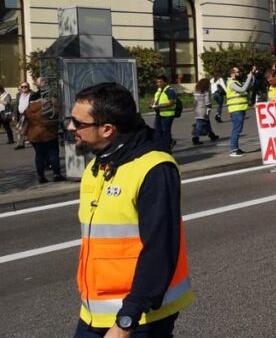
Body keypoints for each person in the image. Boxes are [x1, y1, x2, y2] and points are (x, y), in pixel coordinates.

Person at [67, 83, 194, 337]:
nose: (71, 128)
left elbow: (160, 248)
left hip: (140, 317)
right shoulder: (100, 164)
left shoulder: (154, 168)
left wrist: (127, 319)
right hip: (95, 312)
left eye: (78, 123)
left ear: (107, 130)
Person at [25, 78, 64, 183]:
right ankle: (56, 174)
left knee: (39, 156)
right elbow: (56, 115)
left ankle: (41, 176)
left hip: (35, 134)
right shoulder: (49, 104)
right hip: (48, 133)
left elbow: (26, 116)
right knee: (53, 154)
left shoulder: (30, 106)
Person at [226, 65, 257, 157]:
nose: (239, 73)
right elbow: (242, 89)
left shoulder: (237, 82)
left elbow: (247, 88)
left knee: (237, 129)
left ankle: (235, 148)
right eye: (237, 72)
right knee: (236, 130)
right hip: (236, 110)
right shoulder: (231, 83)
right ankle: (233, 150)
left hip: (240, 109)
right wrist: (250, 77)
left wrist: (251, 76)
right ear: (232, 74)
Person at [150, 75, 177, 149]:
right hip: (159, 113)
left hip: (167, 114)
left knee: (165, 131)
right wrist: (151, 104)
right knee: (157, 130)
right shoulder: (159, 90)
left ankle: (167, 146)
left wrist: (159, 106)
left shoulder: (170, 90)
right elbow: (154, 98)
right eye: (157, 82)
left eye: (160, 82)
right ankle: (163, 144)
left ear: (165, 82)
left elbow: (172, 102)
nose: (158, 83)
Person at [190, 78, 219, 146]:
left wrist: (194, 109)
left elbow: (195, 101)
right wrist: (208, 111)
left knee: (207, 123)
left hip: (197, 109)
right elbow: (207, 102)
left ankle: (212, 135)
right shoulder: (206, 92)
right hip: (203, 109)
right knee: (199, 125)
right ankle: (195, 138)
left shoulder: (196, 91)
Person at [14, 81, 33, 148]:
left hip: (29, 115)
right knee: (19, 129)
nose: (24, 88)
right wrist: (14, 115)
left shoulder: (32, 94)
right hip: (21, 115)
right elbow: (16, 105)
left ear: (28, 87)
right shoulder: (19, 95)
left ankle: (22, 143)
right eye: (22, 87)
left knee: (23, 130)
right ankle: (20, 143)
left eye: (25, 86)